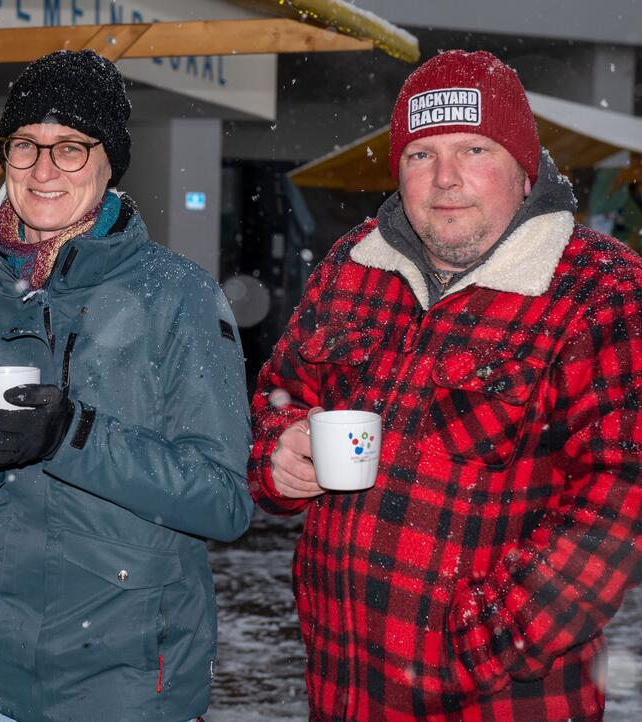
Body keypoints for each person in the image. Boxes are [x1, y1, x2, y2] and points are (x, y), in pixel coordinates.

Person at [248, 49, 642, 720]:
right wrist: (279, 452)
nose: (447, 178)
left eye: (475, 149)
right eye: (421, 155)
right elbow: (280, 396)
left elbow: (619, 492)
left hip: (501, 699)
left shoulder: (600, 290)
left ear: (524, 170)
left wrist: (486, 640)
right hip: (341, 688)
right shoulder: (353, 264)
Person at [0, 49, 254, 722]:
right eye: (24, 145)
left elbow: (223, 502)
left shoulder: (179, 296)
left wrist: (73, 435)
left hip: (129, 679)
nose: (42, 168)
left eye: (69, 147)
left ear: (108, 159)